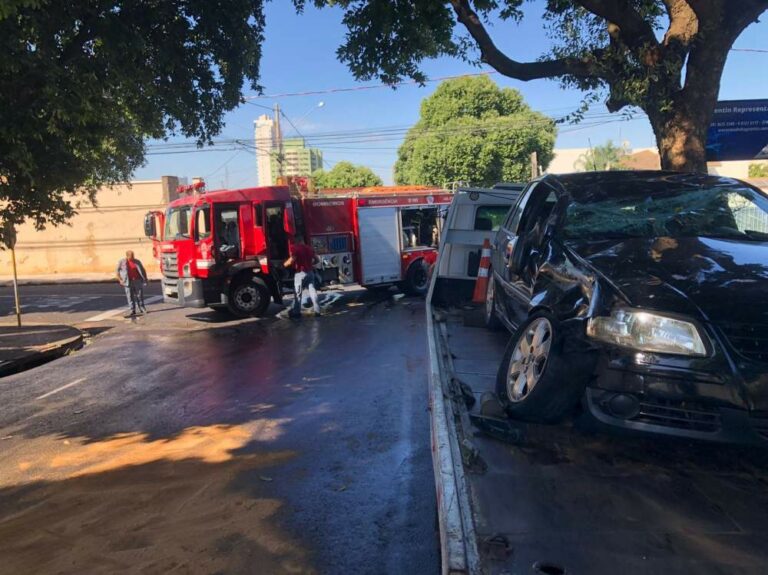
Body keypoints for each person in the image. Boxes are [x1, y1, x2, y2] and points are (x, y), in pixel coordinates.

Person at [283, 237, 321, 317]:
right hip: (310, 272)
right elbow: (317, 260)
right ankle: (317, 310)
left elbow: (291, 261)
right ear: (303, 240)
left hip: (300, 273)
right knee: (312, 291)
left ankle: (296, 312)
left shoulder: (296, 248)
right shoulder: (309, 248)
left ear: (297, 241)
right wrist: (310, 264)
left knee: (298, 293)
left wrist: (283, 265)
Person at [116, 250, 148, 316]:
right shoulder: (122, 262)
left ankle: (142, 308)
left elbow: (143, 270)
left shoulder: (137, 261)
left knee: (139, 295)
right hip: (127, 281)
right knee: (130, 296)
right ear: (127, 256)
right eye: (131, 256)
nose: (133, 257)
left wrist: (145, 278)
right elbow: (117, 271)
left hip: (137, 280)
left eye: (133, 256)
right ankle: (132, 310)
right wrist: (120, 280)